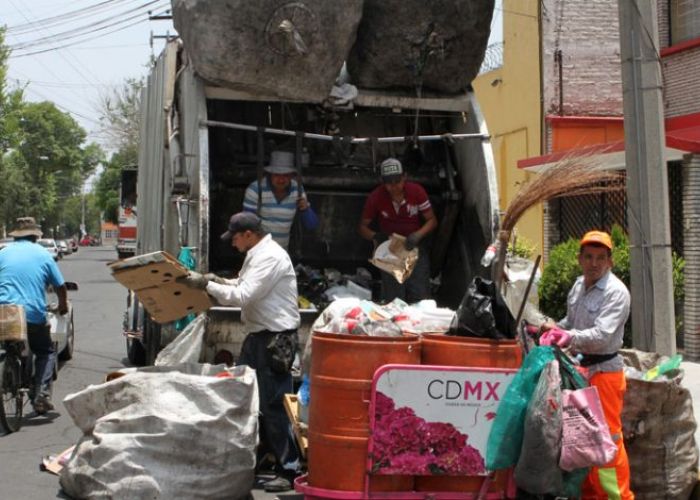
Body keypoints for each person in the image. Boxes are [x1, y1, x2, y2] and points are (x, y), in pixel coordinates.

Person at [179, 212, 300, 493]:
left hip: (275, 339)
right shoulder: (257, 253)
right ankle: (262, 458)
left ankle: (289, 467)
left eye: (234, 237)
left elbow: (243, 296)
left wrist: (206, 285)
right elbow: (240, 285)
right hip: (259, 338)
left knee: (273, 405)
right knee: (245, 398)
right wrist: (215, 281)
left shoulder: (270, 256)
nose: (232, 243)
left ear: (248, 234)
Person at [539, 230, 633, 500]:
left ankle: (617, 496)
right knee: (582, 440)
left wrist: (568, 337)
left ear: (610, 262)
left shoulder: (616, 293)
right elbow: (571, 322)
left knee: (608, 439)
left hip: (605, 373)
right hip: (580, 371)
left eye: (601, 258)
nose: (594, 263)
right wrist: (554, 328)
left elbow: (602, 336)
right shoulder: (579, 285)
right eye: (589, 257)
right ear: (580, 259)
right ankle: (590, 494)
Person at [0, 217, 68, 414]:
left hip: (3, 312)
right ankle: (42, 393)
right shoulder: (43, 254)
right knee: (45, 351)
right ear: (35, 236)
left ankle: (9, 367)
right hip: (31, 313)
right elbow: (60, 286)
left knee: (7, 343)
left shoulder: (2, 253)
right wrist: (62, 306)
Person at [358, 157, 438, 303]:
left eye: (398, 181)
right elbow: (362, 227)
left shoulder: (417, 192)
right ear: (383, 182)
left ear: (404, 177)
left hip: (414, 245)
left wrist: (417, 235)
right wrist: (376, 236)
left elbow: (432, 221)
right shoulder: (376, 197)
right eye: (389, 183)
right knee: (394, 299)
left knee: (420, 295)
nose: (394, 186)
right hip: (390, 248)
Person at [243, 150, 318, 250]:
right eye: (277, 175)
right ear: (270, 174)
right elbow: (246, 226)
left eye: (286, 175)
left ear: (292, 175)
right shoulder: (255, 189)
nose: (281, 180)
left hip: (282, 252)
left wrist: (305, 209)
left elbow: (311, 225)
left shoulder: (298, 189)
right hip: (259, 251)